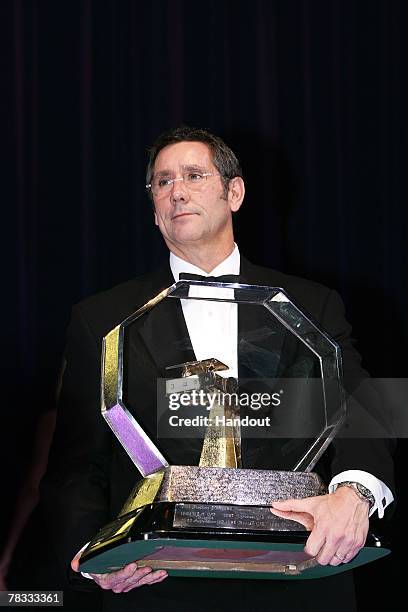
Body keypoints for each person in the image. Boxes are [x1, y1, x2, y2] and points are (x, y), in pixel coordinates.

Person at [40, 126, 395, 611]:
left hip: (301, 573)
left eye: (193, 175)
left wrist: (355, 493)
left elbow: (371, 409)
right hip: (159, 583)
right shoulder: (99, 316)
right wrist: (91, 552)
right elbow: (75, 464)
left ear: (235, 192)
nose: (176, 191)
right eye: (162, 182)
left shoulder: (313, 302)